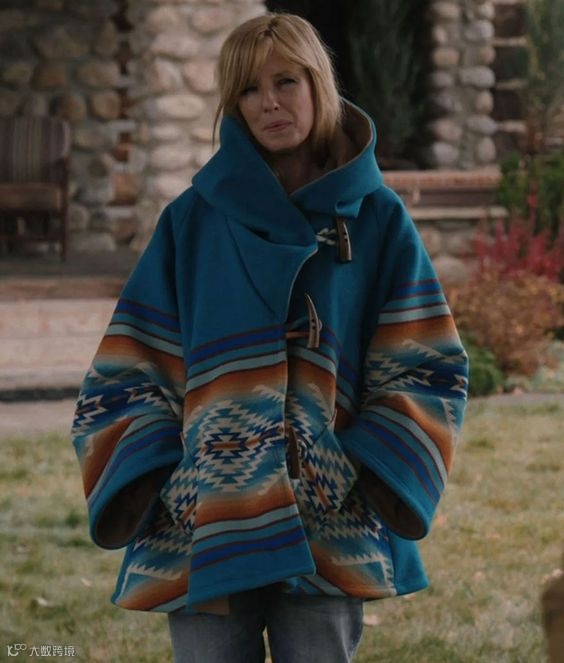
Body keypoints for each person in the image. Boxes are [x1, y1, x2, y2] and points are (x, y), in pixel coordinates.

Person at [71, 13, 468, 663]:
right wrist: (175, 481)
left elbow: (430, 364)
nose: (270, 103)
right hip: (205, 525)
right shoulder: (191, 221)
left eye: (286, 81)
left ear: (318, 85)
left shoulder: (377, 218)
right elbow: (125, 371)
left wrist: (353, 469)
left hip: (329, 525)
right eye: (249, 90)